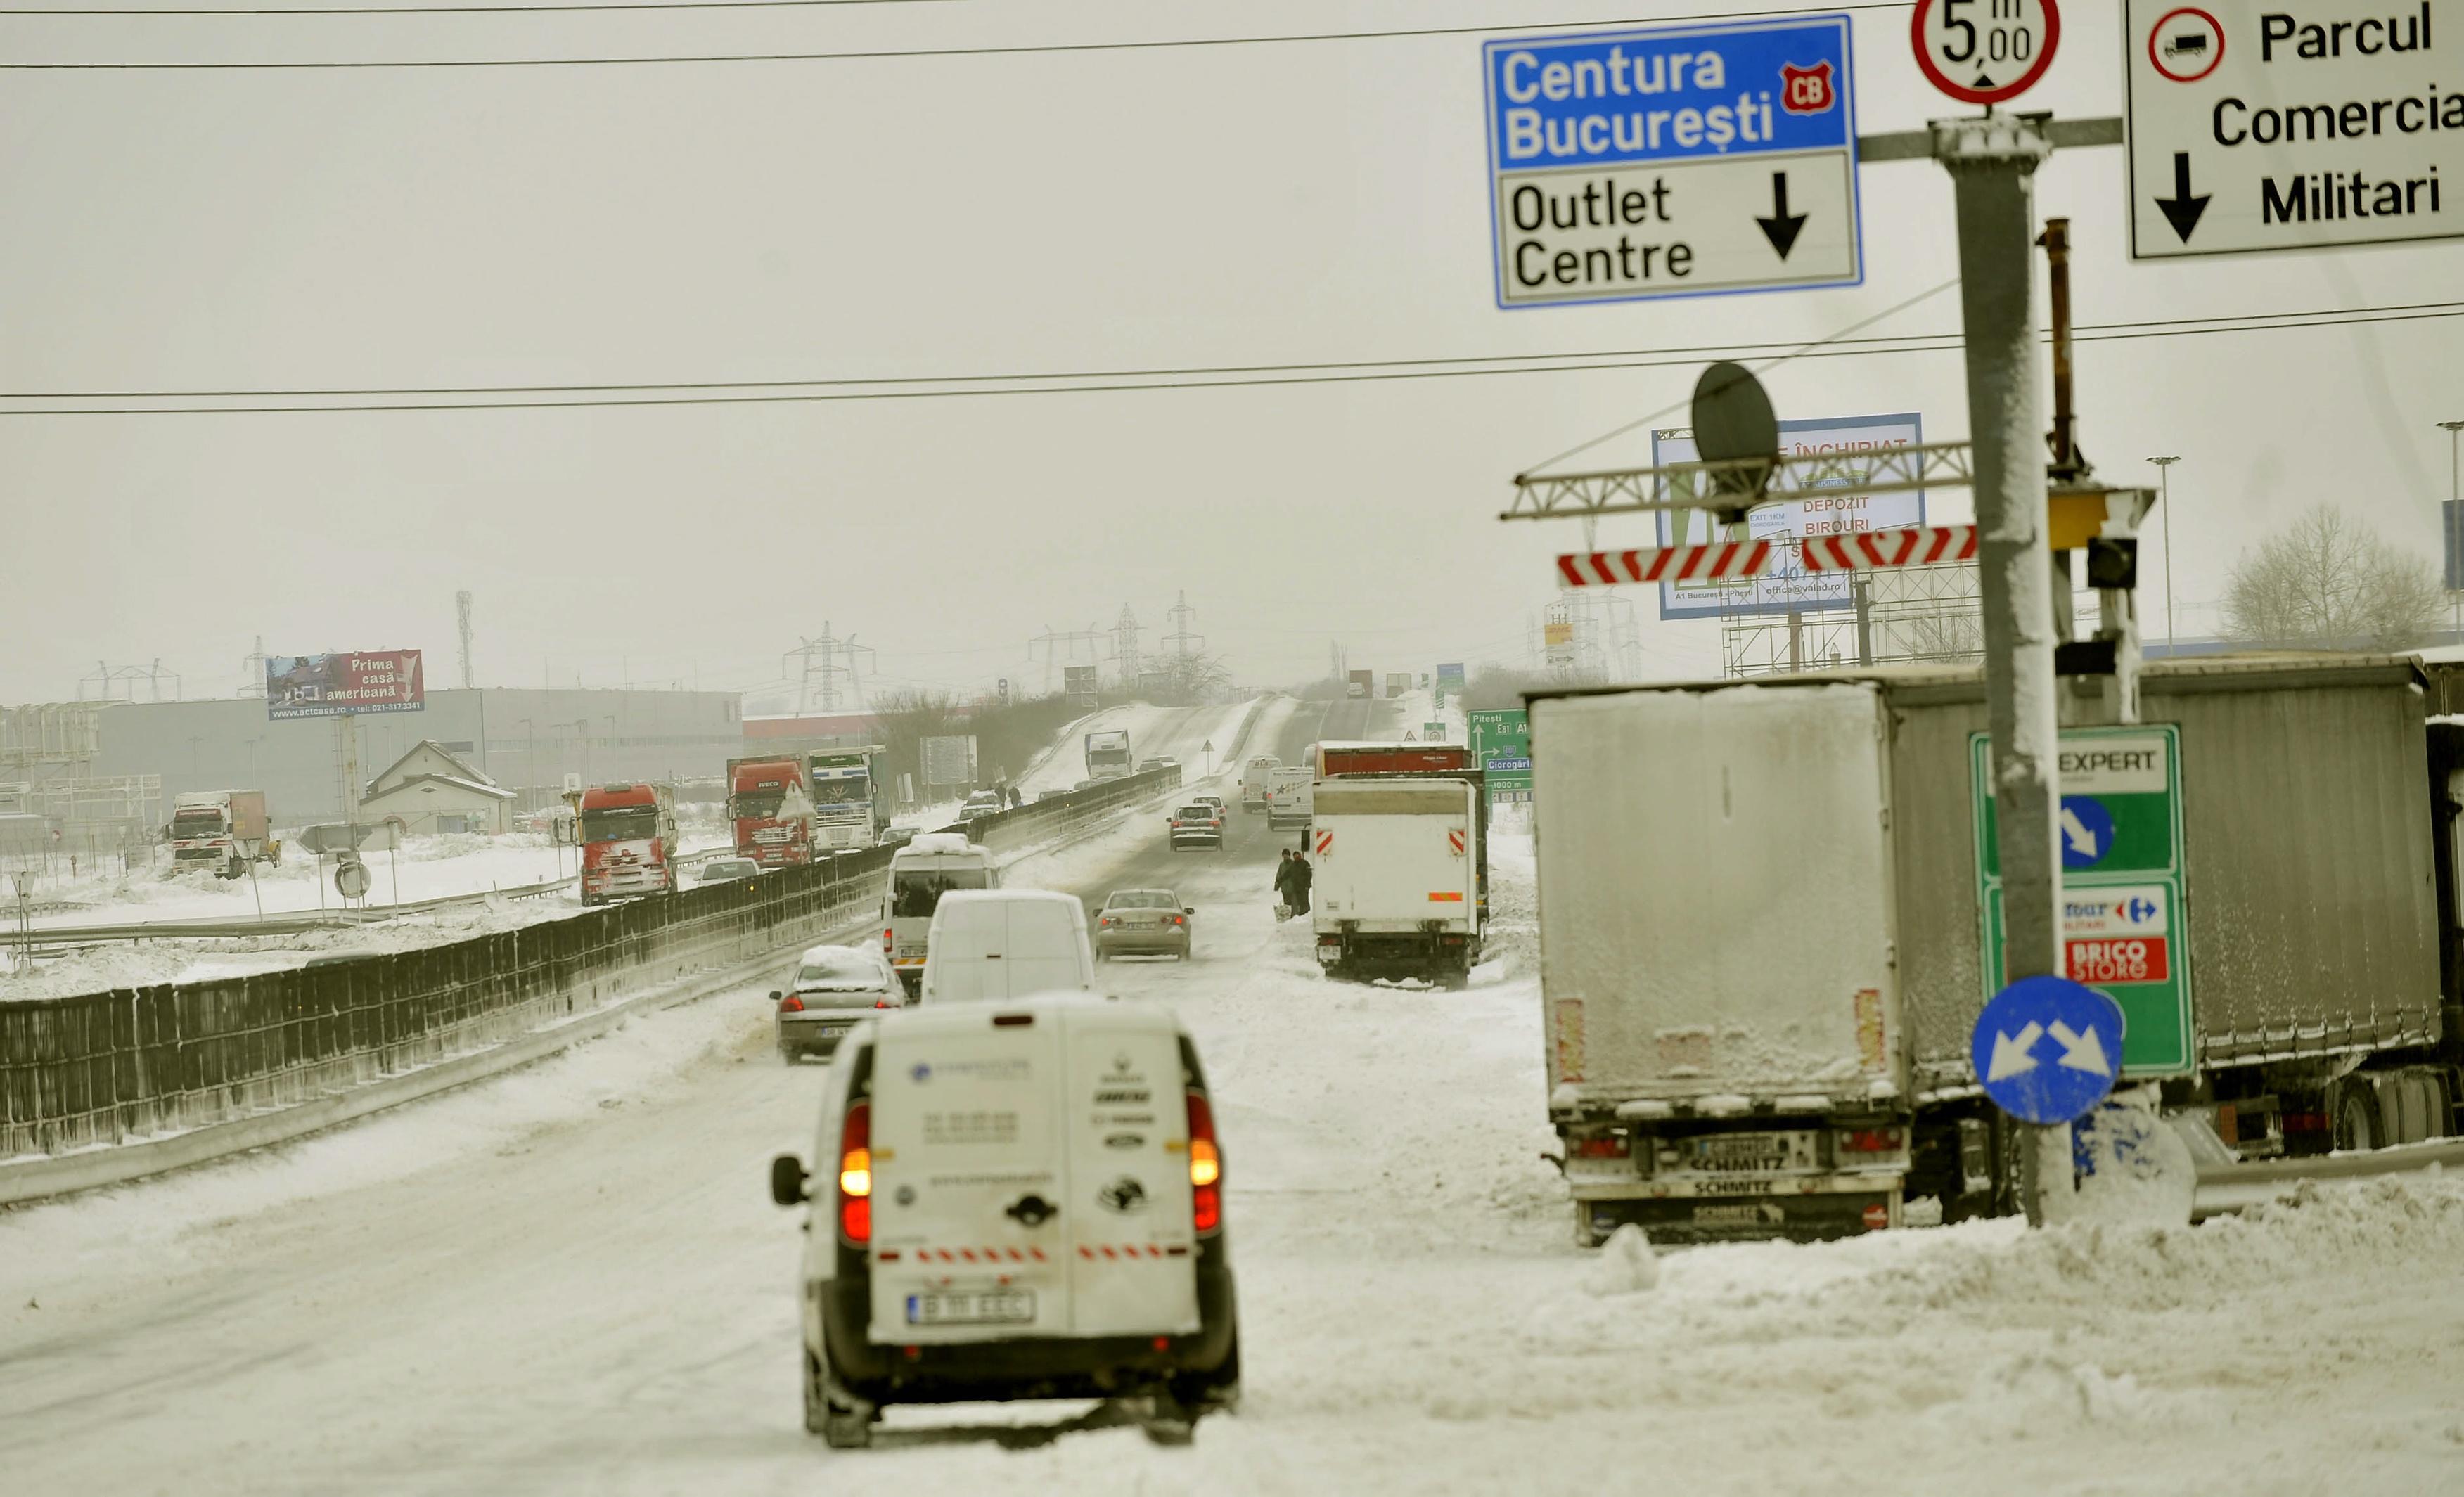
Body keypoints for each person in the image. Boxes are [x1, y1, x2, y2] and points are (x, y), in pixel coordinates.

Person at [1272, 849, 1300, 917]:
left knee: (1294, 906)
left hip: (1293, 889)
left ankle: (1295, 918)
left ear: (1289, 856)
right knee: (1287, 906)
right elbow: (1279, 875)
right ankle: (1288, 919)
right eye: (1284, 856)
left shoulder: (1294, 864)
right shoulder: (1282, 865)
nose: (1285, 857)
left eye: (1286, 855)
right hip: (1285, 889)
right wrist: (1277, 885)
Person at [1288, 845, 1314, 915]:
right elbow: (1288, 874)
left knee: (1305, 900)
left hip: (1304, 886)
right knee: (1300, 901)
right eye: (1295, 856)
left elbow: (1309, 875)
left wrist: (1307, 884)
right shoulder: (1293, 865)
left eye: (1297, 856)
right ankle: (1302, 913)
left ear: (1300, 856)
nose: (1296, 857)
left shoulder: (1305, 863)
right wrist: (1279, 880)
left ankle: (1307, 913)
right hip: (1297, 887)